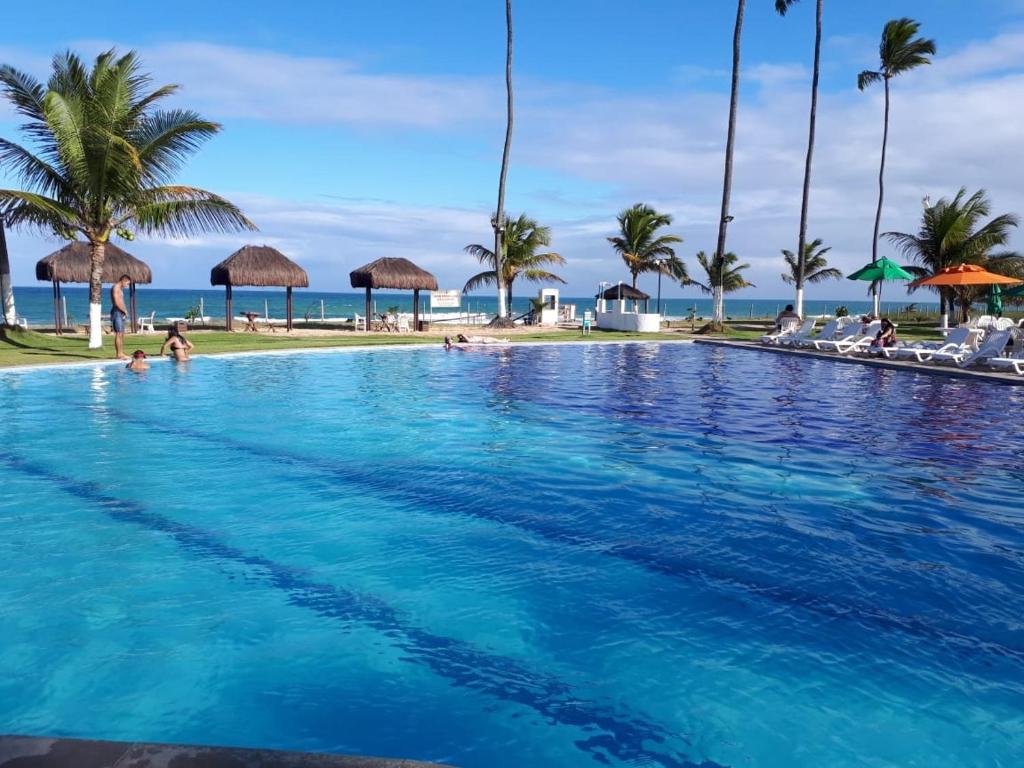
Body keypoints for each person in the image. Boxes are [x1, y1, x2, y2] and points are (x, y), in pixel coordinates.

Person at [110, 274, 132, 360]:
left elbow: (121, 301)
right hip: (117, 312)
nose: (127, 285)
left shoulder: (120, 289)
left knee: (122, 334)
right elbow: (116, 302)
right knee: (118, 333)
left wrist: (125, 310)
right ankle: (118, 354)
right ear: (124, 280)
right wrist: (125, 310)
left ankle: (121, 353)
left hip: (121, 312)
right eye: (127, 283)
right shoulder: (115, 287)